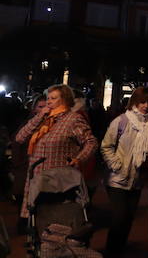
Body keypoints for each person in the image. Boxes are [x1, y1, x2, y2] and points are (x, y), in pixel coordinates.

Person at [14, 84, 97, 220]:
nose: (49, 101)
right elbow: (20, 138)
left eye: (53, 98)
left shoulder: (73, 119)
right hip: (37, 178)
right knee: (34, 219)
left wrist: (79, 159)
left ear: (64, 100)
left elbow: (91, 142)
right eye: (48, 98)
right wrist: (40, 116)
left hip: (57, 181)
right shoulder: (44, 119)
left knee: (53, 219)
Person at [100, 87, 148, 257]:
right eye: (142, 102)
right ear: (134, 103)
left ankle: (119, 250)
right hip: (117, 178)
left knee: (128, 219)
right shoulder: (122, 120)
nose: (146, 106)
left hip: (137, 180)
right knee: (119, 218)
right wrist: (116, 164)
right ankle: (111, 252)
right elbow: (106, 146)